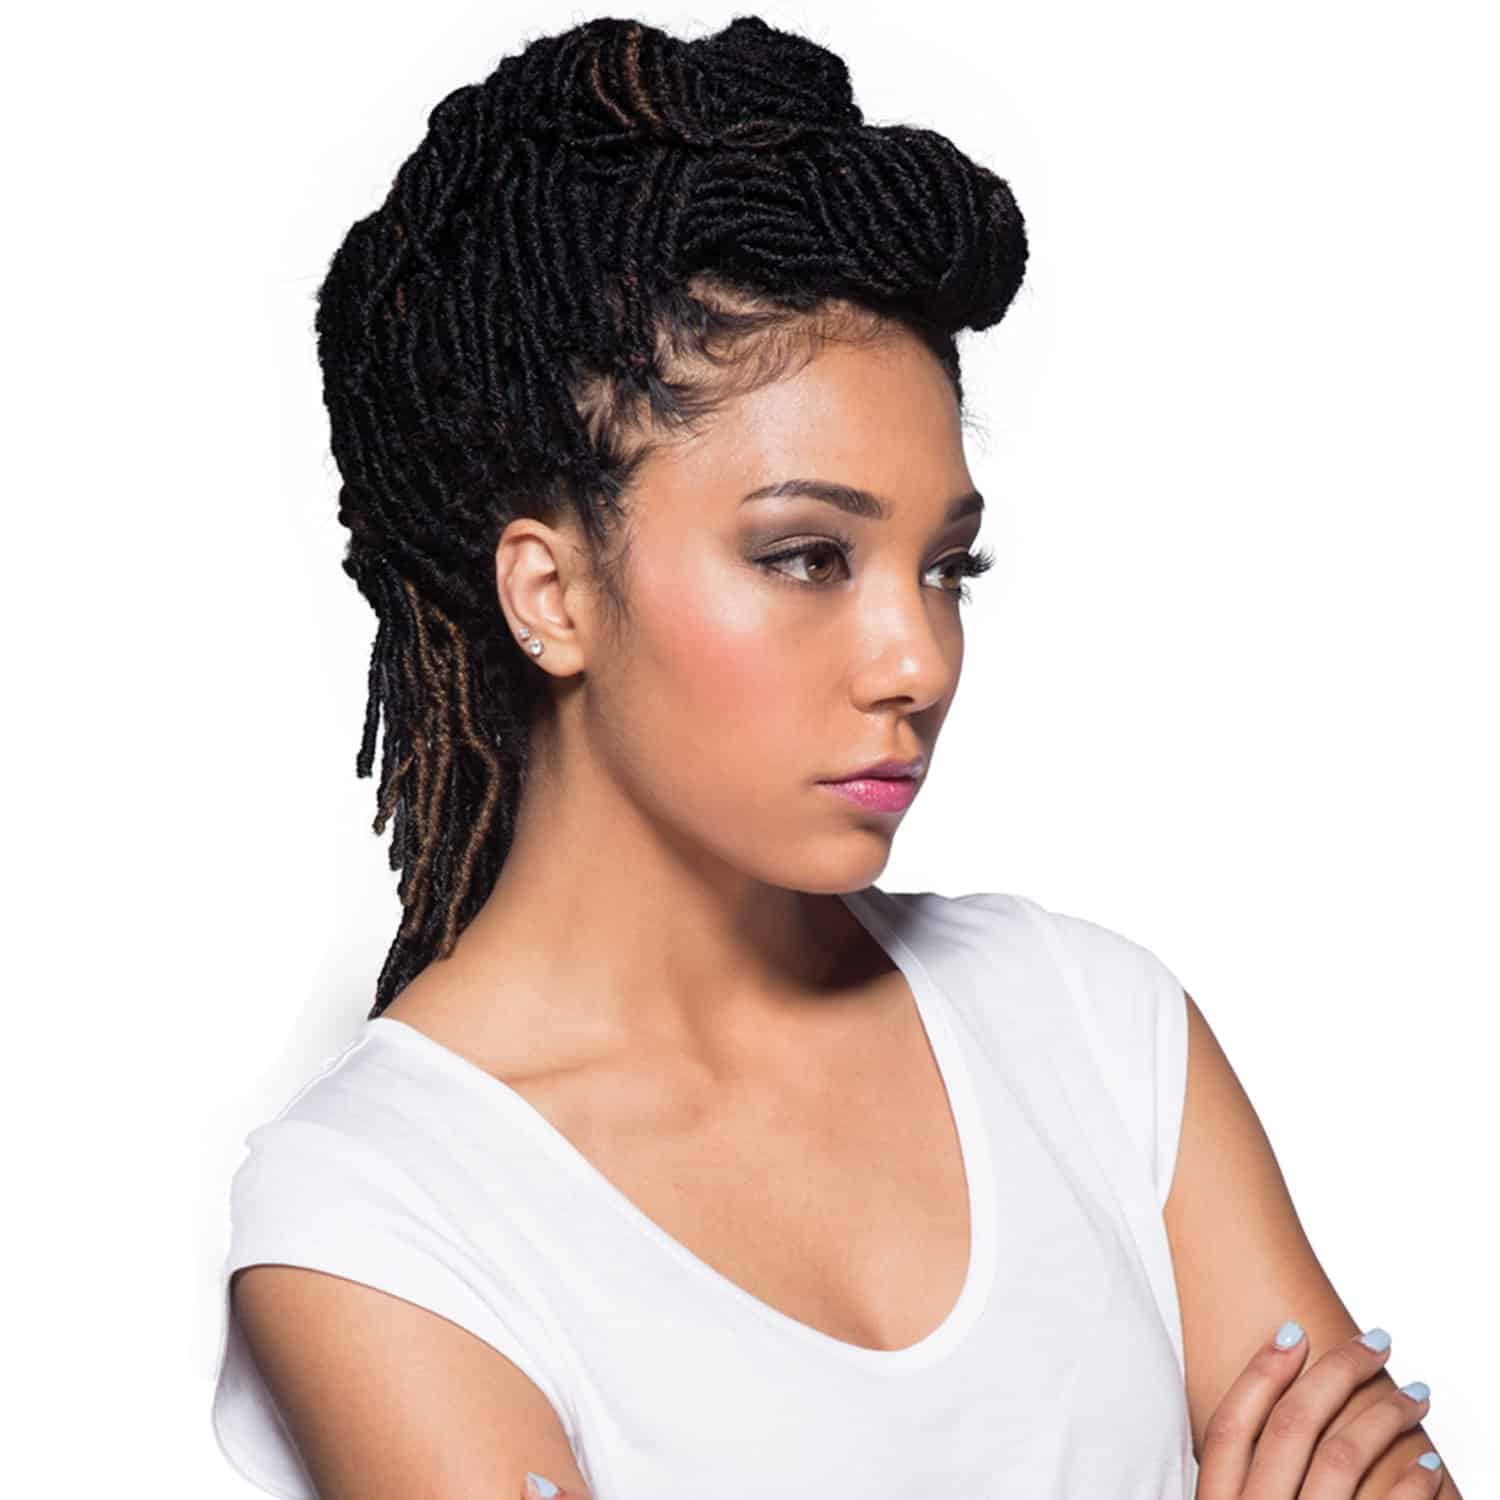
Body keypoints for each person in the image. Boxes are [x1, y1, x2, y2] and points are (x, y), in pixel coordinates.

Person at [208, 15, 1456, 1499]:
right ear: (551, 592)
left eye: (946, 568)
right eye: (806, 557)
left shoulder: (1099, 1035)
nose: (917, 659)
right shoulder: (381, 1216)